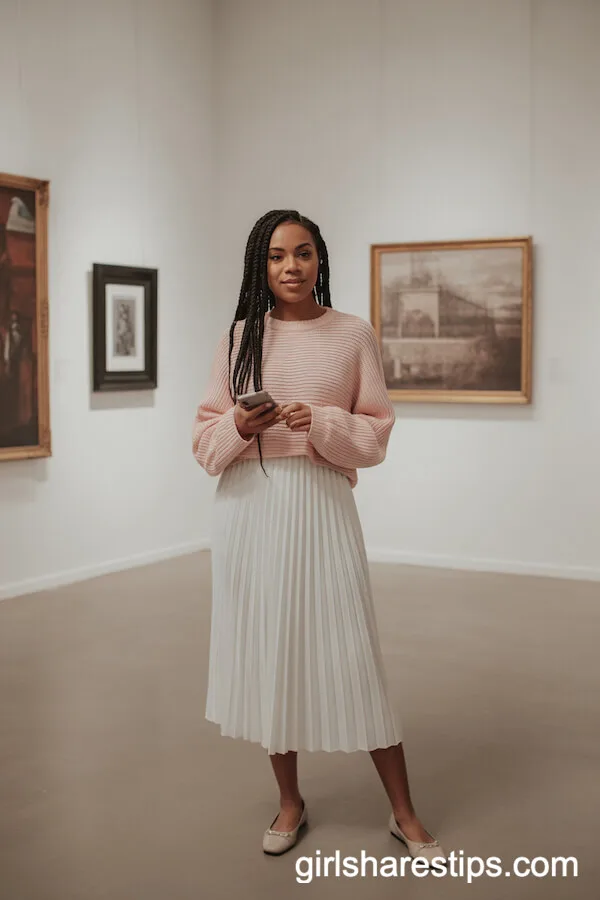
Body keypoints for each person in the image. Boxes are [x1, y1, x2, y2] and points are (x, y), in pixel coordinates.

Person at [192, 210, 446, 865]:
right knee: (272, 652)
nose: (291, 268)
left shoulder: (351, 334)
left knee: (352, 652)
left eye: (303, 254)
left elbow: (376, 437)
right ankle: (290, 802)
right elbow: (204, 445)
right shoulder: (240, 337)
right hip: (250, 508)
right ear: (261, 265)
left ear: (320, 259)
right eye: (277, 257)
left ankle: (404, 813)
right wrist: (245, 427)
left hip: (322, 505)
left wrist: (321, 421)